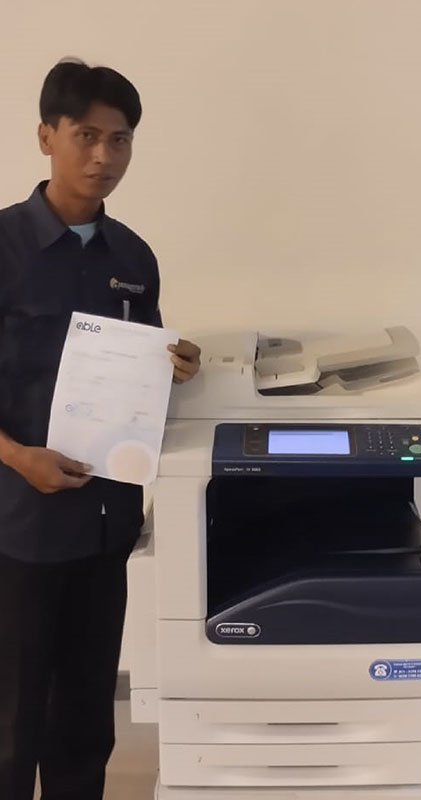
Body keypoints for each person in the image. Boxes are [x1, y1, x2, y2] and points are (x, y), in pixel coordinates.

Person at [0, 60, 200, 800]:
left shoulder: (133, 258)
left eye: (120, 140)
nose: (103, 156)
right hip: (19, 527)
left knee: (86, 718)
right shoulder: (5, 247)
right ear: (45, 136)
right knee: (12, 720)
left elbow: (139, 378)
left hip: (103, 523)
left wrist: (176, 366)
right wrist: (17, 457)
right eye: (86, 136)